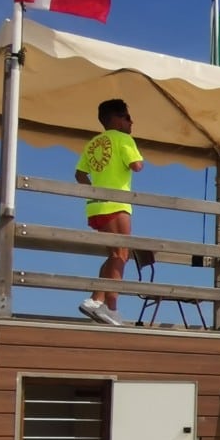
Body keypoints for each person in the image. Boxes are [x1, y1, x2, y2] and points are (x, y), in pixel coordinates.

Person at [74, 98, 144, 326]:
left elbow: (79, 174)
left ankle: (100, 302)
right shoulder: (123, 139)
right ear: (116, 119)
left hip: (95, 206)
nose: (131, 122)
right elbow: (137, 166)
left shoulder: (93, 143)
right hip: (117, 204)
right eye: (127, 117)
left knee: (114, 255)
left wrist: (94, 192)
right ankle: (104, 305)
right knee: (120, 254)